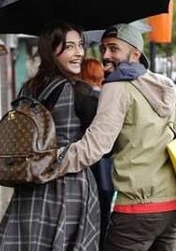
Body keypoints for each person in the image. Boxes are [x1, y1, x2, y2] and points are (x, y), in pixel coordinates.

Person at [50, 23, 176, 251]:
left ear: (135, 54)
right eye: (104, 48)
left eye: (114, 49)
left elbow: (95, 146)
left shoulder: (118, 86)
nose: (106, 55)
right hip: (173, 206)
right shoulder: (167, 85)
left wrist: (49, 161)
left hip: (138, 207)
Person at [0, 22, 100, 251]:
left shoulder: (27, 89)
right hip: (69, 187)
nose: (79, 52)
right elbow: (105, 147)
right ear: (51, 50)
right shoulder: (80, 92)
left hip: (30, 185)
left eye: (80, 45)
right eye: (69, 47)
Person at [80, 57, 115, 249]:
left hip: (90, 165)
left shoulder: (85, 99)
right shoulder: (107, 99)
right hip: (106, 166)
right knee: (104, 210)